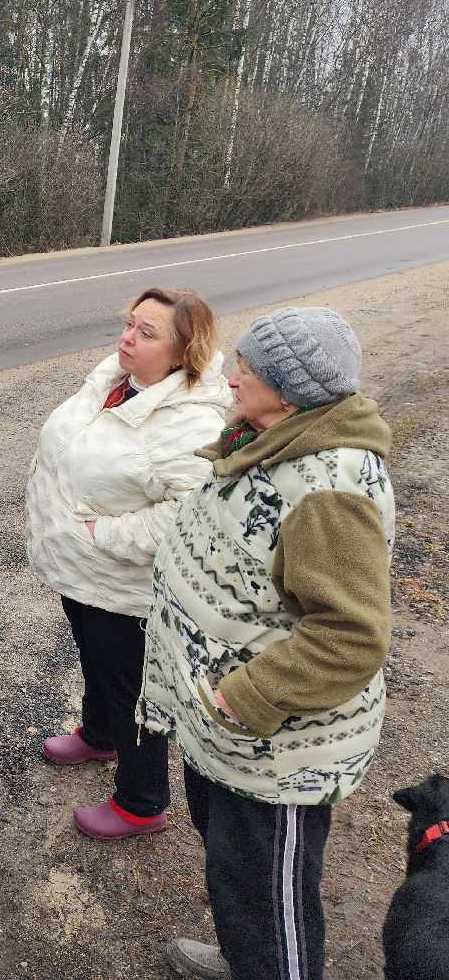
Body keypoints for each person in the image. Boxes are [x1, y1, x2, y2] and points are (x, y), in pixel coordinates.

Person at [140, 307, 394, 980]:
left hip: (274, 751)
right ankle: (244, 958)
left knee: (269, 896)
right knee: (235, 870)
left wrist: (242, 696)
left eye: (247, 369)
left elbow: (349, 636)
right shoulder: (266, 437)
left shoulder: (327, 486)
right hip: (227, 733)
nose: (229, 375)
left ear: (291, 389)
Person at [25, 287, 228, 840]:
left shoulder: (193, 424)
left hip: (125, 582)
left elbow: (187, 517)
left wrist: (104, 534)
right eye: (129, 323)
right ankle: (100, 735)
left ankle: (142, 802)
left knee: (132, 686)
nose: (127, 338)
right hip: (82, 567)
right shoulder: (116, 378)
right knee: (94, 658)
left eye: (146, 332)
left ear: (184, 351)